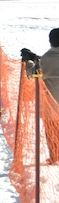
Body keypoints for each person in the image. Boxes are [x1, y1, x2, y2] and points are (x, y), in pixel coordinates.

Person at [21, 28, 59, 163]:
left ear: (50, 42)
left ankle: (55, 157)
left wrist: (29, 61)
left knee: (52, 132)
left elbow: (33, 73)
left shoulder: (46, 58)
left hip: (51, 103)